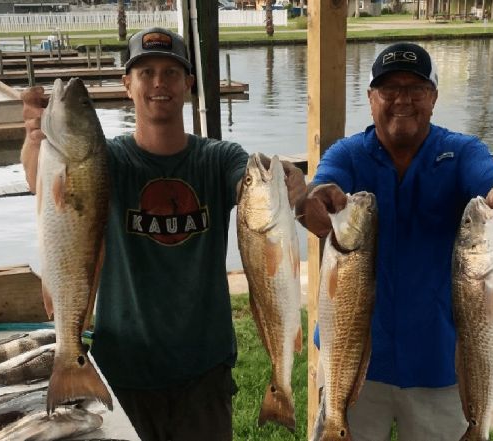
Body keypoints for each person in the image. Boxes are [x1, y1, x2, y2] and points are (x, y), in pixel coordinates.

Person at [20, 27, 306, 441]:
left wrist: (291, 181)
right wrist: (34, 143)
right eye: (146, 72)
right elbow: (44, 186)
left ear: (188, 84)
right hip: (123, 366)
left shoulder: (217, 158)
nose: (159, 83)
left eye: (172, 72)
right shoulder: (106, 159)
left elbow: (250, 180)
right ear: (127, 85)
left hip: (203, 368)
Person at [297, 42, 493, 441]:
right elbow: (314, 193)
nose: (402, 100)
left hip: (440, 367)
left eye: (416, 89)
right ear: (371, 98)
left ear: (434, 97)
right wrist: (313, 204)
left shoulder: (461, 152)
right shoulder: (348, 154)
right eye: (389, 89)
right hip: (353, 364)